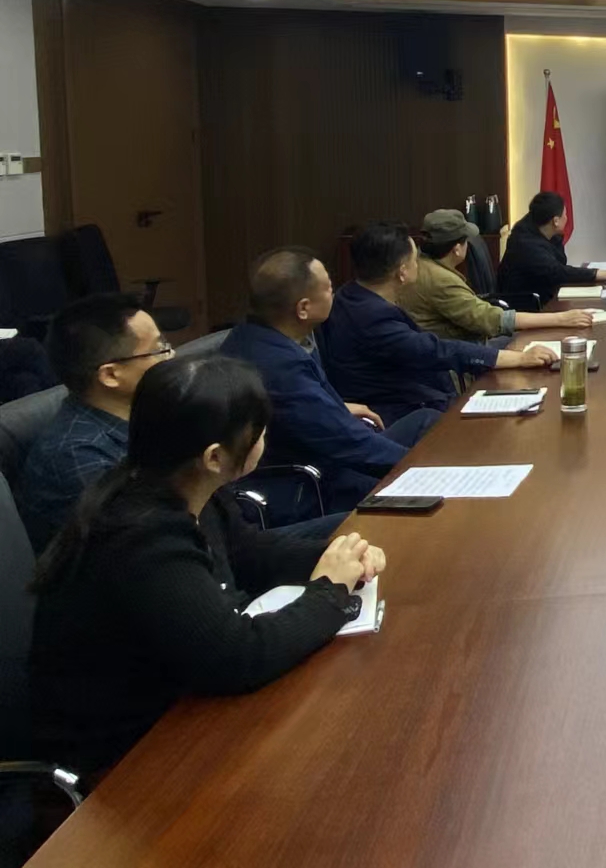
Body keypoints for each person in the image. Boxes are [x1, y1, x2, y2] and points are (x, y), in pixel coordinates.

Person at [29, 355, 386, 779]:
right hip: (127, 757)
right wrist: (330, 591)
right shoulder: (140, 536)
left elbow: (249, 553)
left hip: (182, 706)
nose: (265, 437)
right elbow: (238, 657)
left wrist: (340, 557)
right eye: (259, 430)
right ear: (214, 457)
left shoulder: (179, 485)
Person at [223, 247, 441, 516]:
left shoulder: (255, 336)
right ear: (303, 308)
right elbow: (349, 444)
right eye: (328, 288)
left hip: (324, 452)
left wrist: (337, 406)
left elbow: (298, 409)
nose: (334, 295)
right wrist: (423, 470)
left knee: (426, 419)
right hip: (308, 482)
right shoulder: (280, 366)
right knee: (424, 497)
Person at [320, 222, 555, 424]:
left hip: (411, 393)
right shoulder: (373, 317)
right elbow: (434, 350)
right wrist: (520, 358)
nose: (420, 265)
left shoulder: (349, 295)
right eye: (415, 260)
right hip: (399, 412)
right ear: (402, 272)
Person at [17, 294, 172, 552]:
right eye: (159, 350)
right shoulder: (77, 456)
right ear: (110, 375)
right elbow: (150, 547)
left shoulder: (147, 414)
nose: (172, 357)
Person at [405, 209, 592, 344]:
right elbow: (491, 320)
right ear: (457, 249)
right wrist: (560, 319)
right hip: (463, 356)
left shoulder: (420, 264)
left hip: (463, 344)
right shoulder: (441, 281)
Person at [497, 192, 606, 302]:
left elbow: (559, 264)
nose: (567, 217)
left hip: (543, 295)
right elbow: (557, 272)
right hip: (527, 306)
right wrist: (600, 274)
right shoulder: (526, 244)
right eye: (565, 214)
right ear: (555, 221)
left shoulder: (538, 227)